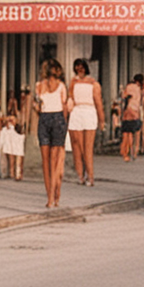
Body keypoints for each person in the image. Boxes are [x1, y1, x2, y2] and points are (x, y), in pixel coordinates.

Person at [35, 59, 69, 210]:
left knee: (46, 162)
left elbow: (37, 106)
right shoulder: (62, 86)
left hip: (44, 119)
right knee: (55, 162)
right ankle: (54, 195)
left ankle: (50, 195)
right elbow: (64, 106)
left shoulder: (39, 86)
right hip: (58, 119)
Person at [66, 59, 104, 188]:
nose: (79, 70)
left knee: (87, 148)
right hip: (76, 112)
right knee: (77, 146)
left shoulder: (94, 83)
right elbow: (69, 98)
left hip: (89, 112)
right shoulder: (73, 82)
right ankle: (80, 175)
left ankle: (90, 176)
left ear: (86, 68)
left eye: (81, 67)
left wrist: (102, 120)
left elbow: (98, 103)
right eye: (77, 68)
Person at [0, 90, 28, 181]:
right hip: (10, 133)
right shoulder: (7, 113)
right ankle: (11, 172)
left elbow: (20, 121)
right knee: (10, 152)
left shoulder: (21, 112)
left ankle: (18, 173)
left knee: (18, 152)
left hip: (18, 134)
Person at [119, 74, 144, 162]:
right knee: (136, 132)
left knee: (127, 133)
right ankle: (134, 152)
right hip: (136, 111)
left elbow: (125, 98)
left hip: (128, 110)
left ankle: (125, 152)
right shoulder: (140, 89)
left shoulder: (129, 87)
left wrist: (123, 112)